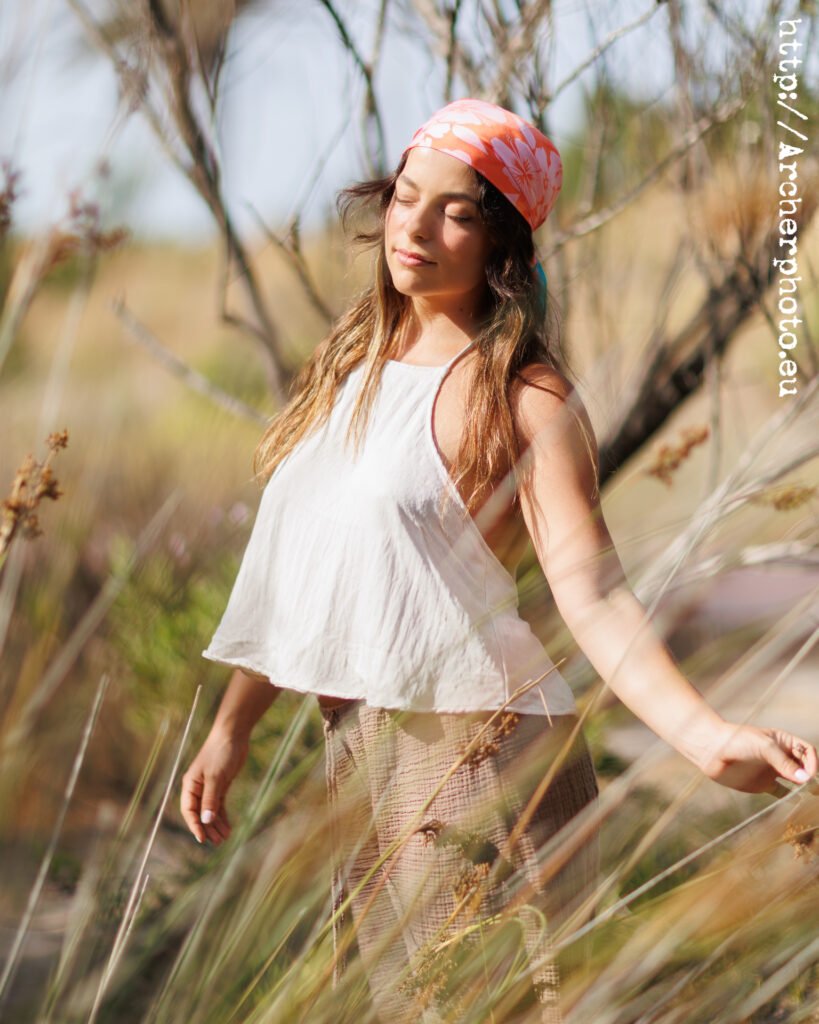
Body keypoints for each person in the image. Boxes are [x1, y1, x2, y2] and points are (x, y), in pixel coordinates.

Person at [180, 99, 817, 1022]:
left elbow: (592, 593)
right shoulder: (349, 363)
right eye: (405, 198)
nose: (415, 228)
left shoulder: (523, 396)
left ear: (501, 244)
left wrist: (705, 738)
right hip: (361, 748)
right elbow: (306, 573)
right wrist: (232, 727)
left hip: (481, 756)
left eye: (456, 213)